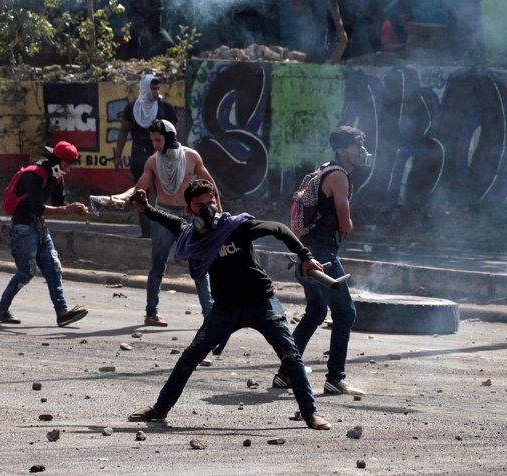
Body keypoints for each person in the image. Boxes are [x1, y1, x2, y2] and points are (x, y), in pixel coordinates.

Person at [127, 180, 332, 430]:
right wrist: (146, 209)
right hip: (225, 308)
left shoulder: (236, 227)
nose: (207, 209)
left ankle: (310, 414)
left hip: (261, 302)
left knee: (291, 355)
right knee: (190, 357)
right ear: (190, 211)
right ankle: (160, 408)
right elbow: (171, 222)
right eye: (199, 205)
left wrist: (306, 257)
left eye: (210, 203)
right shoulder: (191, 237)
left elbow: (278, 229)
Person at [272, 125, 368, 396]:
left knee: (315, 312)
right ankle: (335, 378)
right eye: (355, 146)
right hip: (322, 257)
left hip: (305, 253)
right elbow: (343, 217)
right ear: (342, 150)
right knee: (346, 313)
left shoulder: (323, 169)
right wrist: (347, 223)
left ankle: (285, 374)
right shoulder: (339, 176)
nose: (360, 152)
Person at [111, 119, 219, 327]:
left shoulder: (191, 156)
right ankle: (151, 313)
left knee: (199, 265)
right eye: (153, 140)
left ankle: (210, 313)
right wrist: (118, 198)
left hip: (189, 217)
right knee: (158, 266)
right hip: (162, 215)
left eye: (159, 140)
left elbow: (211, 186)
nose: (155, 145)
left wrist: (218, 215)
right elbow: (138, 189)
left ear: (169, 138)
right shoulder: (153, 161)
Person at [0, 141, 90, 326]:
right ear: (57, 160)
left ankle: (62, 313)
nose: (68, 170)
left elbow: (60, 202)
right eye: (67, 164)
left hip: (38, 227)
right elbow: (39, 208)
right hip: (23, 228)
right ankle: (1, 309)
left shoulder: (57, 176)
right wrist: (68, 209)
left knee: (53, 268)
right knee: (26, 272)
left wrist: (75, 209)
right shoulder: (34, 175)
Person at [114, 74, 178, 238]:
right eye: (153, 88)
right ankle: (146, 232)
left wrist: (175, 153)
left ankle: (164, 229)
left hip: (161, 157)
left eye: (157, 88)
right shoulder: (132, 107)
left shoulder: (163, 106)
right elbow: (123, 131)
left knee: (163, 193)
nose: (156, 92)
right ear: (144, 89)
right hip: (139, 158)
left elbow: (173, 132)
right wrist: (118, 155)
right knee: (142, 194)